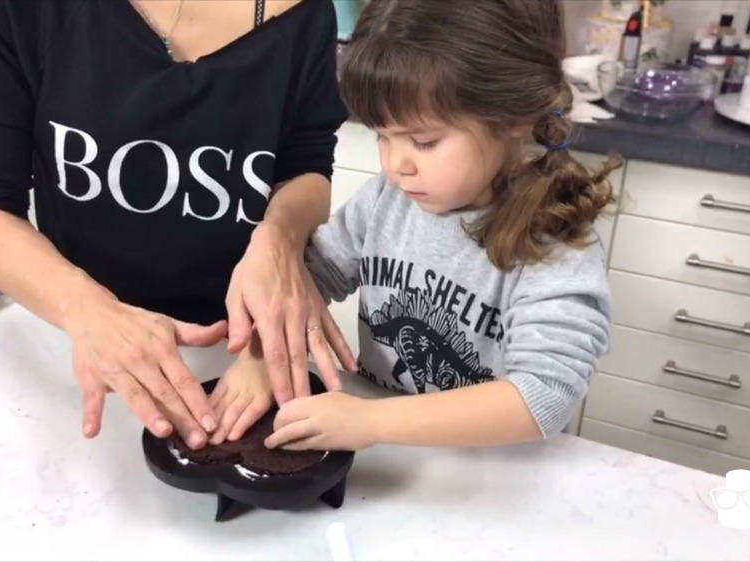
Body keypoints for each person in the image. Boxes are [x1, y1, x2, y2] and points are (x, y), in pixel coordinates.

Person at [0, 0, 357, 450]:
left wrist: (279, 236)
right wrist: (87, 311)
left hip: (244, 352)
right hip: (77, 343)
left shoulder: (304, 11)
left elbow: (308, 168)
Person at [210, 0, 620, 451]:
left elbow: (546, 394)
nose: (395, 163)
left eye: (424, 141)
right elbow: (307, 280)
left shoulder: (552, 241)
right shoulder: (388, 198)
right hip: (392, 456)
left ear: (513, 120)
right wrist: (258, 356)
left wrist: (372, 422)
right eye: (382, 136)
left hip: (491, 474)